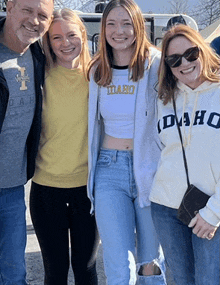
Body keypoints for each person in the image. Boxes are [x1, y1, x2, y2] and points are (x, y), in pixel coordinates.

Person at [87, 0, 166, 284]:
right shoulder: (97, 71)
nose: (118, 31)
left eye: (126, 23)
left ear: (138, 27)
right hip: (110, 170)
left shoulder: (156, 64)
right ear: (103, 28)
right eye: (111, 24)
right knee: (119, 265)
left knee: (151, 263)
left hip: (151, 169)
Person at [29, 8, 100, 285]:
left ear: (83, 34)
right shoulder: (39, 76)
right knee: (55, 272)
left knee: (86, 269)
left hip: (88, 192)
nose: (65, 43)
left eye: (72, 34)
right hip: (46, 190)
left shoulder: (97, 77)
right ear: (48, 41)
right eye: (56, 37)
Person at [150, 24, 220, 285]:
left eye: (191, 53)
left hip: (212, 208)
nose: (185, 63)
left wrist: (214, 212)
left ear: (202, 50)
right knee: (180, 280)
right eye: (174, 59)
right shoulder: (165, 98)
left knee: (208, 280)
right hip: (167, 208)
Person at [0, 0, 54, 283]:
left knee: (14, 273)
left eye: (43, 15)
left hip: (12, 188)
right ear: (9, 7)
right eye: (27, 10)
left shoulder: (39, 55)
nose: (35, 20)